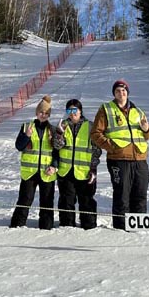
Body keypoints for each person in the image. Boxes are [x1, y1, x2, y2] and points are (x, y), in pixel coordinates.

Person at [90, 80, 149, 230]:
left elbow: (148, 135)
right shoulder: (106, 109)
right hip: (119, 160)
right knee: (122, 195)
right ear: (114, 93)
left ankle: (139, 228)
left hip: (140, 158)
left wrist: (146, 129)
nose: (121, 93)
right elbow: (95, 133)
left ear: (127, 93)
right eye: (118, 91)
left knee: (140, 194)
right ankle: (121, 229)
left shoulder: (138, 111)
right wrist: (111, 147)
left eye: (123, 91)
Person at [9, 95, 59, 229]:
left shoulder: (53, 130)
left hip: (47, 172)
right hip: (30, 172)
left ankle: (46, 227)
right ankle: (17, 225)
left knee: (47, 201)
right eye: (41, 112)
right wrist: (27, 136)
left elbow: (57, 152)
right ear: (37, 113)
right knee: (25, 199)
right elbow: (19, 146)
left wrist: (54, 166)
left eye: (46, 113)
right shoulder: (27, 127)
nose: (43, 115)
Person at [52, 98, 102, 229]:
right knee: (66, 200)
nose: (72, 113)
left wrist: (93, 169)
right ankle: (67, 226)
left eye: (75, 110)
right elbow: (57, 147)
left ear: (80, 111)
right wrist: (59, 133)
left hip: (85, 172)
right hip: (66, 171)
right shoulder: (63, 126)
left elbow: (96, 151)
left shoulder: (90, 126)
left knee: (87, 201)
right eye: (69, 110)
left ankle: (89, 226)